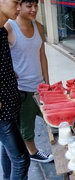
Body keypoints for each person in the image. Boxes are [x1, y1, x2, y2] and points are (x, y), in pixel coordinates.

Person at [5, 0, 53, 163]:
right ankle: (33, 152)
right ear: (19, 6)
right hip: (22, 90)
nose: (34, 10)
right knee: (26, 127)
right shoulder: (9, 27)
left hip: (40, 87)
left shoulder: (39, 27)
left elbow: (42, 56)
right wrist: (10, 73)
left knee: (52, 121)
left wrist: (48, 83)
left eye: (36, 6)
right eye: (29, 6)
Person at [0, 0, 30, 179]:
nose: (19, 8)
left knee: (7, 150)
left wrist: (10, 74)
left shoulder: (2, 31)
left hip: (11, 105)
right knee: (21, 160)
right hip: (2, 113)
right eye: (15, 2)